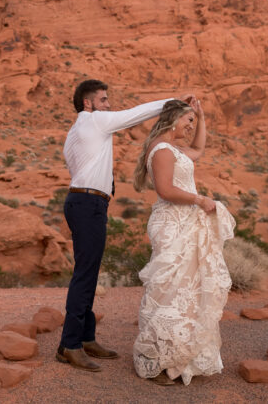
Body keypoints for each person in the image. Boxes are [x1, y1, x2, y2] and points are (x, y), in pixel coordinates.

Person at [56, 79, 193, 372]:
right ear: (88, 104)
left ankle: (85, 337)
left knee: (88, 271)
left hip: (84, 202)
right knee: (84, 274)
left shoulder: (75, 132)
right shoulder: (95, 121)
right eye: (103, 100)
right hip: (87, 204)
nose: (108, 105)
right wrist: (172, 102)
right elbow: (135, 113)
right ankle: (70, 345)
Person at [133, 98, 235, 386]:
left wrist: (201, 117)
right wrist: (200, 200)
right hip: (172, 223)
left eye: (192, 123)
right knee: (169, 288)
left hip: (185, 221)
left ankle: (179, 357)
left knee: (186, 289)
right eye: (188, 121)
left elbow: (200, 149)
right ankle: (160, 358)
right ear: (174, 119)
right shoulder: (162, 150)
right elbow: (166, 190)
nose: (190, 127)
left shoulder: (175, 149)